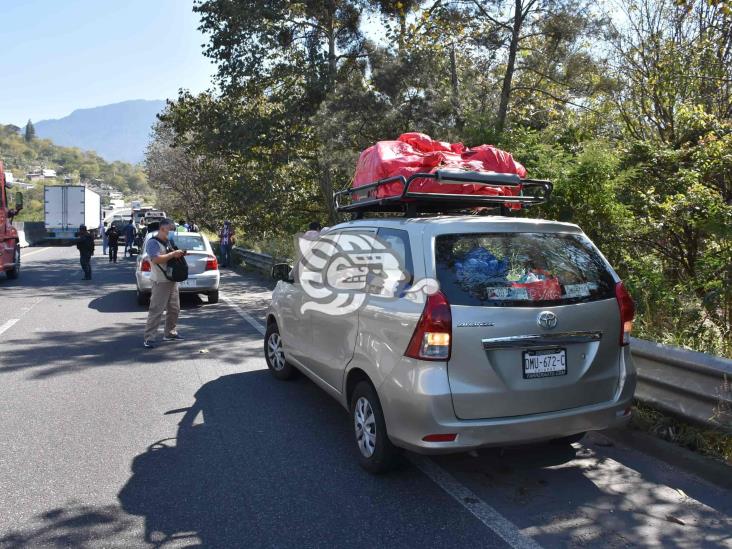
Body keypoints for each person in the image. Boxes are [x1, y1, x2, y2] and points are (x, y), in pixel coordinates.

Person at [143, 219, 186, 348]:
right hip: (160, 281)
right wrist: (173, 254)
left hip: (171, 280)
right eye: (170, 228)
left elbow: (170, 258)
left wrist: (180, 254)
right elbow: (155, 259)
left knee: (174, 309)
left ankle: (170, 333)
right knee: (156, 310)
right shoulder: (153, 243)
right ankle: (149, 338)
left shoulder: (168, 241)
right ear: (162, 228)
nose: (172, 231)